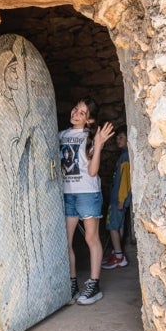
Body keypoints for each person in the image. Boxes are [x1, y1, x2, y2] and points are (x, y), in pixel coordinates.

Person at [59, 97, 114, 305]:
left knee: (91, 239)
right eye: (75, 109)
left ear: (89, 120)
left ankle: (94, 284)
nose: (76, 114)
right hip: (67, 193)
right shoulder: (61, 135)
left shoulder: (89, 137)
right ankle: (72, 283)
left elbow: (92, 171)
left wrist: (98, 144)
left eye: (82, 113)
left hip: (88, 194)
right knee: (66, 242)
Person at [102, 125, 132, 269]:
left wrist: (121, 199)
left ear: (128, 139)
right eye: (117, 138)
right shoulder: (124, 155)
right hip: (119, 199)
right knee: (118, 226)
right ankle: (116, 251)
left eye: (121, 137)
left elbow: (125, 181)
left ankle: (119, 256)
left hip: (118, 200)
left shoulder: (125, 157)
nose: (117, 140)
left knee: (112, 226)